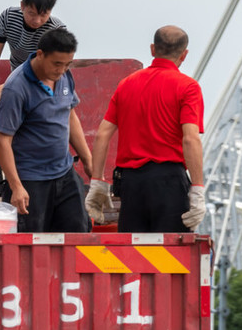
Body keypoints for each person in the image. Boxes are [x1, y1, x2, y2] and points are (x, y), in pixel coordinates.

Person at [85, 25, 205, 233]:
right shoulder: (188, 87)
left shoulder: (126, 84)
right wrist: (197, 188)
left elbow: (103, 134)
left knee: (133, 255)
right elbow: (190, 139)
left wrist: (97, 182)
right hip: (169, 182)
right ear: (184, 55)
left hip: (131, 184)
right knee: (171, 257)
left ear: (152, 49)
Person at [0, 27, 92, 233]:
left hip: (64, 174)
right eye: (57, 64)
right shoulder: (16, 88)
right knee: (32, 245)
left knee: (79, 234)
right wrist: (16, 186)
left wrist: (88, 160)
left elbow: (70, 115)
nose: (61, 70)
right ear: (40, 55)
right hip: (31, 180)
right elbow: (3, 141)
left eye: (67, 64)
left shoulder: (64, 76)